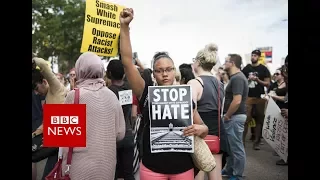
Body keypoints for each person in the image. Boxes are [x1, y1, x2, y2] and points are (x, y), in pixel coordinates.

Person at [119, 8, 208, 180]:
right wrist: (125, 27)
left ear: (174, 71)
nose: (165, 74)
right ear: (153, 74)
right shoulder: (146, 94)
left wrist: (200, 129)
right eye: (159, 71)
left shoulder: (186, 97)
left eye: (168, 69)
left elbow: (204, 130)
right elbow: (127, 63)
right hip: (152, 168)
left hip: (183, 168)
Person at [61, 52, 126, 179]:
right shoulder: (112, 96)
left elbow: (63, 137)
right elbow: (120, 134)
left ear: (80, 69)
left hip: (78, 166)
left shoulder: (73, 96)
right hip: (106, 166)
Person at [188, 43, 227, 180]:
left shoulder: (195, 83)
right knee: (216, 176)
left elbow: (189, 108)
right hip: (218, 132)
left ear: (197, 62)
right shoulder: (220, 84)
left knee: (198, 174)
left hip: (200, 131)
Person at [221, 54, 249, 180]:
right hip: (234, 117)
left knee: (236, 148)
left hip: (235, 117)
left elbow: (237, 101)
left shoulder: (237, 78)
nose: (224, 63)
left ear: (232, 63)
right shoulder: (236, 77)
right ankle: (230, 170)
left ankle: (238, 175)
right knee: (231, 147)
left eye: (226, 61)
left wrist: (227, 115)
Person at [107, 60, 135, 180]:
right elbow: (133, 114)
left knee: (113, 173)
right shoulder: (129, 89)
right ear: (124, 74)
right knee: (129, 173)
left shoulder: (108, 92)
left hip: (112, 137)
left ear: (109, 74)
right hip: (128, 134)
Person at [241, 50, 271, 150]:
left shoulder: (263, 69)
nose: (253, 57)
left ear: (259, 57)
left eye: (255, 55)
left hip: (260, 97)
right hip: (248, 97)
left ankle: (257, 142)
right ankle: (242, 143)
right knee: (246, 119)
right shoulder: (246, 68)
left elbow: (268, 83)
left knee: (259, 119)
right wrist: (248, 80)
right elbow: (241, 80)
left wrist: (257, 80)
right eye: (252, 55)